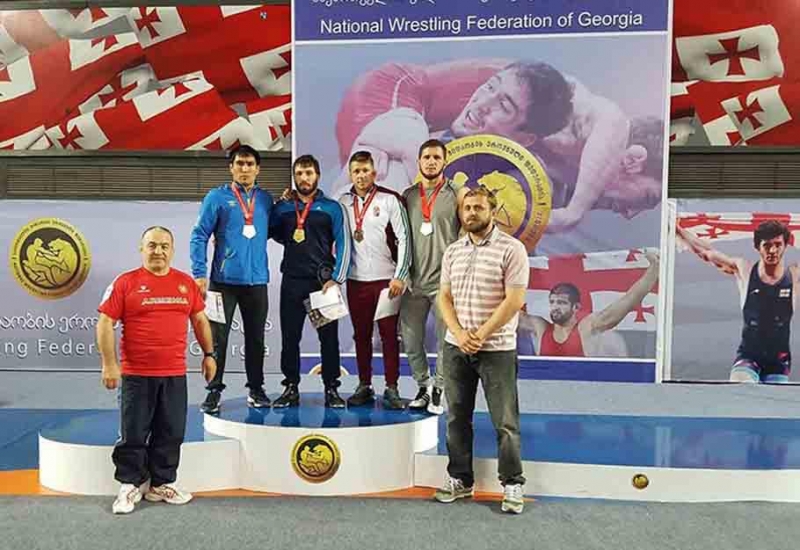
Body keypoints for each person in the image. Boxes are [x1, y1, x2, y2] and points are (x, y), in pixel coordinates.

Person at [333, 59, 659, 227]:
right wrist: (573, 213)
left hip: (413, 130)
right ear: (633, 160)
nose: (631, 212)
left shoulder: (560, 176)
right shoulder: (597, 120)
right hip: (396, 94)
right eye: (646, 198)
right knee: (401, 183)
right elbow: (613, 123)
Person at [97, 226, 217, 515]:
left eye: (164, 246)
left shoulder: (185, 283)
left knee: (171, 431)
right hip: (136, 375)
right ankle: (129, 484)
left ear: (172, 250)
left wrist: (209, 355)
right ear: (142, 249)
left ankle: (161, 483)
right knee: (133, 433)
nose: (158, 251)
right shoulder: (125, 283)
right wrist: (110, 364)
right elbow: (104, 323)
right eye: (152, 245)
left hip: (174, 374)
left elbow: (200, 321)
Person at [434, 186, 529, 514]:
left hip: (497, 349)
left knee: (505, 421)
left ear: (492, 211)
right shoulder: (453, 251)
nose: (471, 213)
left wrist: (481, 335)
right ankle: (460, 479)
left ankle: (512, 483)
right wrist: (460, 334)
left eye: (478, 207)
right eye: (466, 208)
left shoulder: (512, 249)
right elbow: (444, 297)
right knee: (456, 418)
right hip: (456, 348)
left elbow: (514, 300)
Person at [190, 144, 273, 414]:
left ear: (258, 169)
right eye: (240, 164)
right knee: (217, 340)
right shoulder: (217, 197)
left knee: (256, 339)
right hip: (223, 282)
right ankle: (214, 390)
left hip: (256, 281)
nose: (244, 168)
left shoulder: (266, 200)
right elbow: (199, 235)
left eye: (250, 164)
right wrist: (199, 273)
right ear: (231, 168)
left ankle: (256, 388)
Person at [270, 154, 351, 408]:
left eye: (308, 173)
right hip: (292, 281)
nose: (304, 178)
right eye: (299, 173)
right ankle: (290, 387)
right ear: (294, 177)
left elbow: (344, 242)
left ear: (317, 175)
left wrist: (336, 279)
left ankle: (332, 389)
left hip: (322, 284)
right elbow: (271, 232)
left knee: (328, 339)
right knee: (290, 338)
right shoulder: (283, 208)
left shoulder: (331, 208)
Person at [677, 220, 798, 383]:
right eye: (767, 245)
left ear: (785, 246)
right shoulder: (744, 270)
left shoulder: (794, 276)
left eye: (777, 245)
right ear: (758, 247)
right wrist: (678, 231)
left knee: (773, 398)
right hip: (749, 356)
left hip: (778, 361)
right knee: (740, 387)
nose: (772, 250)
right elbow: (706, 252)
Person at [339, 150, 411, 409]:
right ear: (350, 174)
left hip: (386, 281)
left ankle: (392, 387)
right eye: (356, 171)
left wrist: (399, 275)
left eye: (365, 170)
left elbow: (404, 238)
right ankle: (364, 385)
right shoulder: (342, 202)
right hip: (356, 280)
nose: (360, 176)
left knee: (389, 336)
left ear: (374, 172)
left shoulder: (390, 199)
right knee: (361, 335)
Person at [401, 139, 467, 414]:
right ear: (418, 161)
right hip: (413, 281)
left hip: (444, 283)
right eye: (426, 157)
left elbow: (469, 232)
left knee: (446, 340)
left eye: (436, 157)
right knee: (410, 340)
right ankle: (422, 385)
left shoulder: (458, 193)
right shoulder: (407, 196)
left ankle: (439, 388)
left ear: (445, 161)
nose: (431, 162)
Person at [524, 251, 660, 357]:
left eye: (561, 302)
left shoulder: (585, 327)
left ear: (576, 307)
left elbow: (628, 301)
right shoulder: (540, 326)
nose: (555, 307)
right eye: (552, 302)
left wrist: (653, 271)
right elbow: (512, 312)